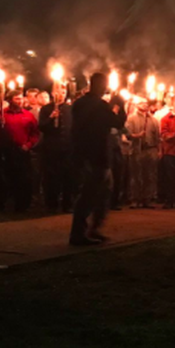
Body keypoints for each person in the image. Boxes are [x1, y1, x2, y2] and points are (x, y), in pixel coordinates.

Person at [69, 72, 127, 245]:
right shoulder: (99, 105)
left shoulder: (79, 103)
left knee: (102, 192)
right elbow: (117, 123)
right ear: (99, 85)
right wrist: (120, 106)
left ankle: (92, 229)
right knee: (90, 194)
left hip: (88, 154)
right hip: (96, 155)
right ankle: (80, 233)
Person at [0, 90, 40, 212]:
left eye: (21, 99)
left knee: (22, 179)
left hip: (21, 151)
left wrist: (28, 144)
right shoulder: (1, 114)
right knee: (1, 179)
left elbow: (35, 133)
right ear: (10, 100)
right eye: (17, 99)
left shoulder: (28, 115)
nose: (20, 101)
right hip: (3, 151)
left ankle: (21, 206)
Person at [38, 86, 74, 213]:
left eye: (64, 92)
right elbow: (41, 127)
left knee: (68, 177)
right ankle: (51, 204)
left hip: (67, 149)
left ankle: (67, 204)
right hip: (51, 149)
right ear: (53, 93)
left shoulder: (70, 109)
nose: (61, 94)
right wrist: (51, 118)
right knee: (52, 177)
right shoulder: (46, 109)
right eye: (59, 92)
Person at [126, 98, 161, 209]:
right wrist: (137, 135)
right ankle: (135, 199)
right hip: (137, 150)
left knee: (150, 176)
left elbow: (158, 137)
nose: (145, 105)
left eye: (146, 103)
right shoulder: (131, 119)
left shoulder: (153, 120)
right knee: (136, 176)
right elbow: (127, 134)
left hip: (150, 150)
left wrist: (159, 150)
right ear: (137, 105)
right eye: (142, 103)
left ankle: (148, 199)